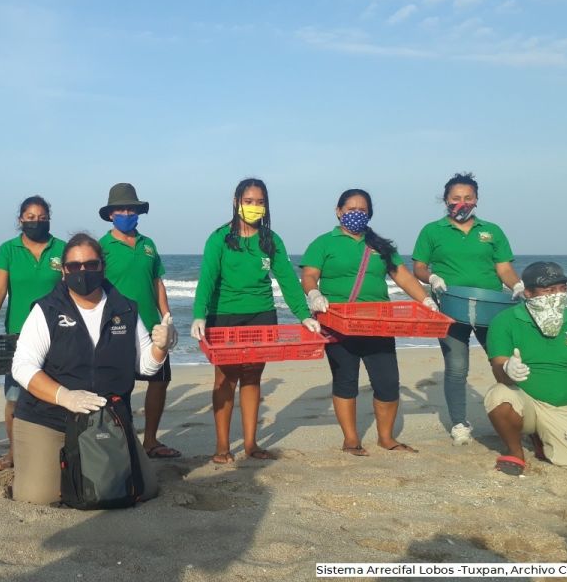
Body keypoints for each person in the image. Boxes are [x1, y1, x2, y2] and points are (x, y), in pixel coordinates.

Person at [10, 233, 174, 504]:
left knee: (143, 490)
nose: (82, 271)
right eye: (74, 266)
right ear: (64, 271)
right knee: (40, 497)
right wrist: (64, 396)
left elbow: (145, 366)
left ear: (102, 267)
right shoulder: (46, 310)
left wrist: (161, 346)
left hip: (106, 419)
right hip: (50, 420)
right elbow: (22, 367)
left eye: (91, 264)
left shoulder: (126, 308)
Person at [191, 178, 321, 464]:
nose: (254, 206)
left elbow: (287, 279)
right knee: (225, 378)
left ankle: (251, 443)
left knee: (252, 375)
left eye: (259, 202)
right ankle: (222, 446)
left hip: (261, 315)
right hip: (224, 315)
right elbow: (208, 279)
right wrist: (199, 314)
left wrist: (304, 315)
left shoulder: (271, 240)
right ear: (237, 202)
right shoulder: (219, 238)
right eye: (248, 201)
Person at [301, 189, 439, 456]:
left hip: (379, 323)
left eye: (362, 210)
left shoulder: (380, 246)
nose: (356, 214)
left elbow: (403, 276)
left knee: (387, 382)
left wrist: (425, 301)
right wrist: (314, 294)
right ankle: (351, 439)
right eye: (350, 209)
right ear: (338, 211)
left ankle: (386, 438)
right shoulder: (323, 243)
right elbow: (309, 275)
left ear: (370, 214)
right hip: (339, 323)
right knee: (345, 380)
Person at [411, 172, 523, 446]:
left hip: (491, 307)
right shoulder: (432, 230)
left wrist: (517, 285)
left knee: (505, 363)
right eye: (455, 198)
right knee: (457, 368)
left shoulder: (492, 231)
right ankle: (460, 423)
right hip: (451, 307)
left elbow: (504, 268)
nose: (461, 203)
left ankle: (519, 414)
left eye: (468, 198)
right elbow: (419, 267)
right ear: (446, 200)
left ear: (476, 200)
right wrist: (432, 278)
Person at [485, 262, 567, 475]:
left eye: (562, 289)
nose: (557, 295)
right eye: (548, 290)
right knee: (499, 396)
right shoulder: (505, 321)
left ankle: (541, 439)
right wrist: (507, 368)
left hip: (564, 408)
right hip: (524, 402)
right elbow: (499, 370)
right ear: (528, 293)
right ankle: (515, 452)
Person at [0, 195, 65, 471]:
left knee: (55, 394)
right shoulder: (8, 249)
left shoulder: (61, 249)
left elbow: (71, 291)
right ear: (20, 220)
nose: (36, 222)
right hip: (17, 335)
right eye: (30, 217)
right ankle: (14, 453)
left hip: (58, 333)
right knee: (14, 398)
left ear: (49, 219)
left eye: (41, 217)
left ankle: (58, 451)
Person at [98, 183, 180, 459]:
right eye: (120, 209)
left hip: (151, 326)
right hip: (117, 326)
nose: (126, 213)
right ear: (111, 214)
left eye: (131, 209)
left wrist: (167, 316)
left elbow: (157, 282)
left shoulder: (148, 245)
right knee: (120, 387)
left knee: (159, 381)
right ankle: (122, 441)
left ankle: (151, 441)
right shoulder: (102, 247)